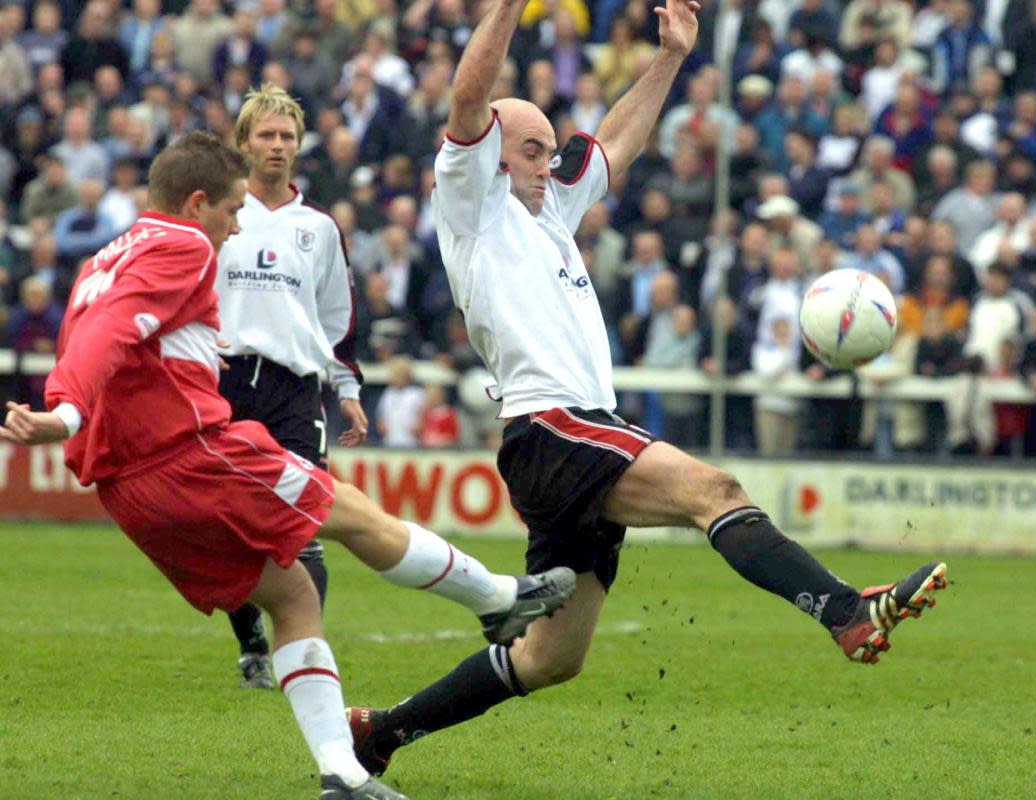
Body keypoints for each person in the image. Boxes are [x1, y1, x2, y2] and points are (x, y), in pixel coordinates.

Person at [347, 0, 949, 777]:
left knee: (549, 659)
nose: (547, 162)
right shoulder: (473, 202)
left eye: (550, 151)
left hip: (565, 436)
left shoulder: (549, 212)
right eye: (532, 150)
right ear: (492, 153)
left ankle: (382, 733)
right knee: (713, 489)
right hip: (554, 425)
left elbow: (616, 144)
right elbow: (468, 100)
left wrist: (670, 57)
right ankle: (844, 611)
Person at [0, 132, 574, 800]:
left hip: (129, 487)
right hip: (188, 454)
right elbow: (109, 336)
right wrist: (63, 414)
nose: (238, 224)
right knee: (350, 510)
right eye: (233, 208)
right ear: (196, 203)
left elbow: (97, 333)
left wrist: (72, 420)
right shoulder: (181, 243)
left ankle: (343, 774)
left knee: (294, 595)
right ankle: (499, 600)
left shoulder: (106, 255)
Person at [214, 83, 371, 689]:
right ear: (244, 143)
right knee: (227, 525)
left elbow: (337, 319)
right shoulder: (220, 217)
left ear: (299, 146)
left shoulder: (319, 228)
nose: (277, 146)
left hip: (295, 390)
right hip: (224, 382)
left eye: (286, 137)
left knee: (304, 522)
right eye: (266, 136)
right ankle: (252, 641)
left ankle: (303, 660)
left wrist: (347, 389)